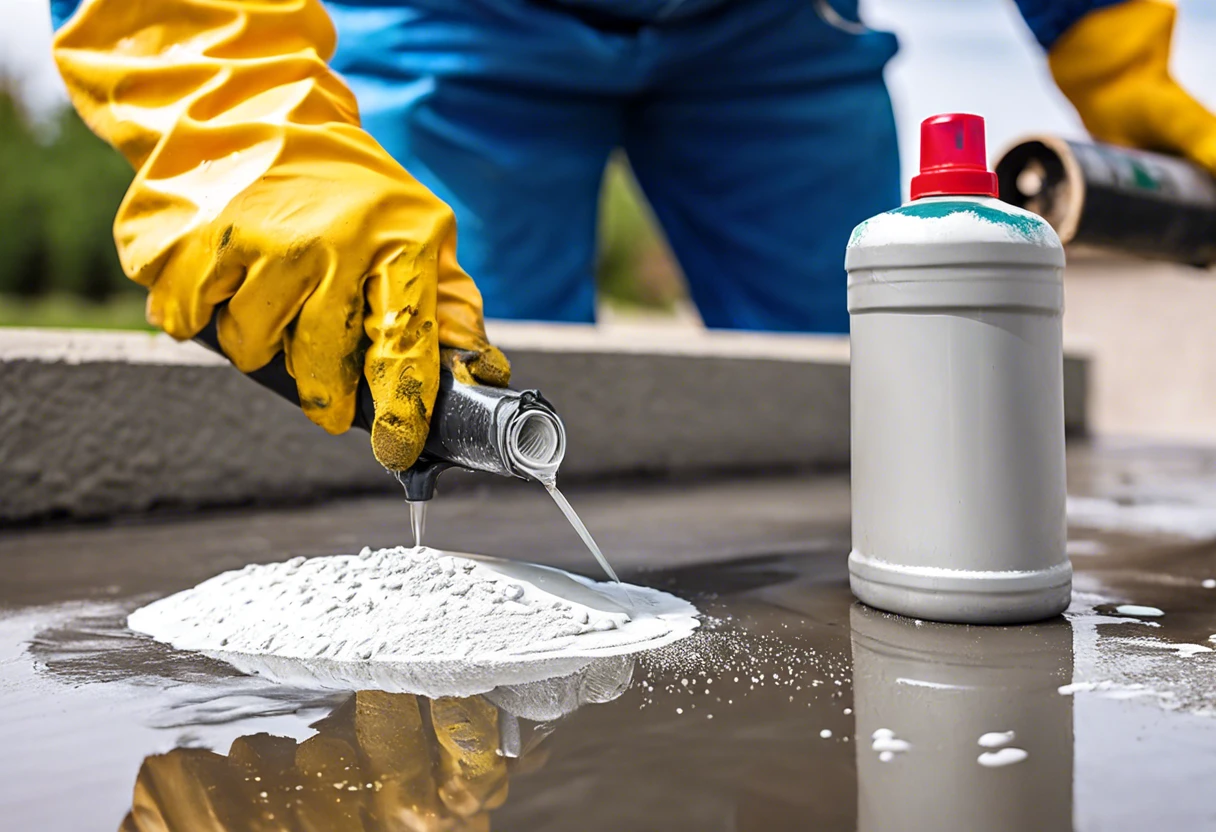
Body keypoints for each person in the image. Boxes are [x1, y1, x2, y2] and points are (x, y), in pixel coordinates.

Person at [48, 0, 1216, 473]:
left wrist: (1107, 32)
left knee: (872, 409)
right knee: (442, 387)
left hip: (768, 29)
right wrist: (228, 103)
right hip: (461, 21)